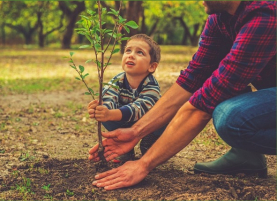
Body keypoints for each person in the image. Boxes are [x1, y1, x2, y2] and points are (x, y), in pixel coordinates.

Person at [88, 1, 276, 190]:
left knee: (231, 117)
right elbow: (193, 78)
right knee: (223, 83)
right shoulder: (219, 18)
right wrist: (136, 132)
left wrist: (143, 164)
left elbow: (204, 104)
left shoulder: (264, 15)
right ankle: (247, 155)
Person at [87, 34, 166, 162]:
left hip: (149, 124)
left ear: (152, 66)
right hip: (126, 121)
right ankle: (126, 149)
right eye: (128, 50)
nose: (131, 55)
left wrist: (112, 114)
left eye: (139, 52)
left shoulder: (151, 85)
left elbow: (140, 108)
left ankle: (150, 142)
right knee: (107, 116)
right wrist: (102, 110)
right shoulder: (118, 80)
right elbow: (108, 96)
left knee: (164, 119)